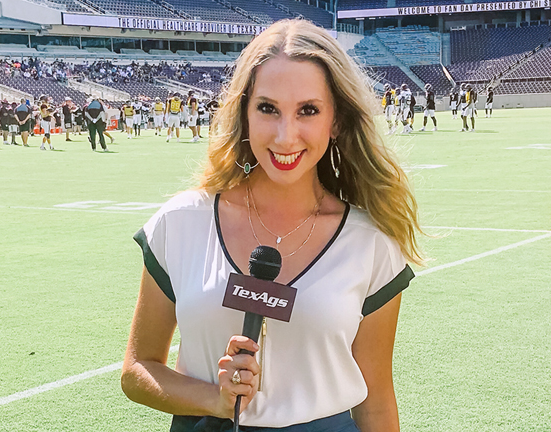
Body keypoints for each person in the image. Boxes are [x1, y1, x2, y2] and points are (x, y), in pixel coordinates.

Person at [121, 19, 423, 432]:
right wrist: (215, 399)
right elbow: (137, 369)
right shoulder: (181, 222)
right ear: (244, 112)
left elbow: (377, 399)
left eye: (308, 111)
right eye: (268, 108)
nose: (285, 136)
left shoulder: (370, 244)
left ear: (335, 121)